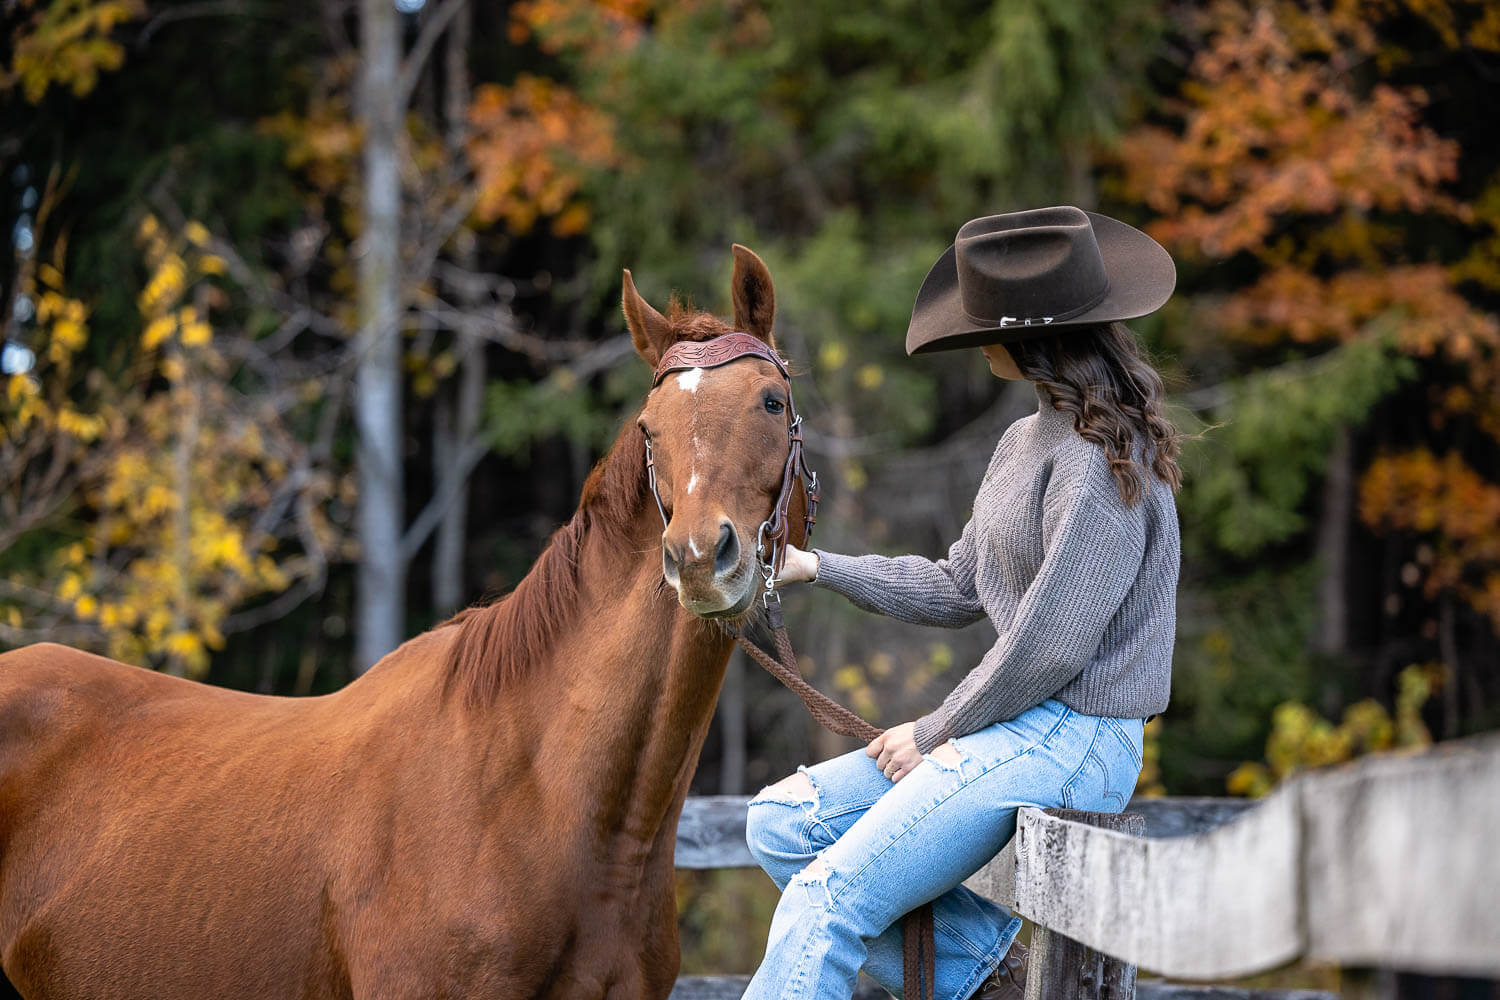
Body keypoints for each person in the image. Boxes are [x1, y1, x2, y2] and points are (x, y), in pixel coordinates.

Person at [742, 206, 1184, 1000]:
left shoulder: (1099, 463)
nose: (977, 341)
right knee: (779, 825)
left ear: (1030, 338)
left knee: (826, 899)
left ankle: (979, 973)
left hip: (1079, 739)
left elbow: (1052, 646)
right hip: (1019, 728)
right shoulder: (1028, 440)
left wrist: (934, 731)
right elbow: (957, 585)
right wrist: (815, 565)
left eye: (985, 325)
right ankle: (987, 974)